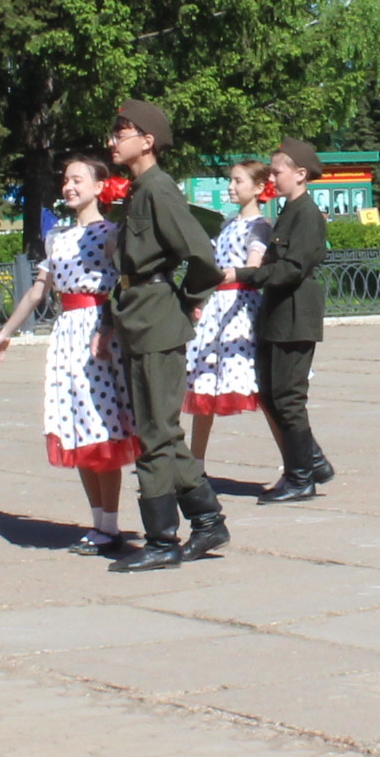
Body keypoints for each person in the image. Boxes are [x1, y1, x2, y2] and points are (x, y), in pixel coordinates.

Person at [0, 153, 140, 551]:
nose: (69, 186)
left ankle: (110, 524)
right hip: (67, 337)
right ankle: (98, 523)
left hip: (98, 332)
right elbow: (40, 289)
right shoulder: (57, 237)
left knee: (103, 424)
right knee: (77, 427)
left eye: (77, 180)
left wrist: (108, 327)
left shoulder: (110, 233)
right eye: (66, 180)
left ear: (99, 187)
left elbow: (125, 280)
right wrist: (6, 332)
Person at [102, 97, 227, 572]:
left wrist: (190, 301)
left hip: (156, 316)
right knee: (160, 430)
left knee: (155, 435)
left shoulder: (158, 188)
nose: (114, 141)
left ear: (147, 140)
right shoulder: (140, 189)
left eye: (122, 132)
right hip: (139, 316)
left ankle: (161, 541)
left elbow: (202, 257)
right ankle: (206, 518)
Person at [239, 136, 334, 501]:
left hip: (295, 314)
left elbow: (292, 269)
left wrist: (245, 275)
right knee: (270, 392)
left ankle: (300, 479)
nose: (271, 178)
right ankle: (312, 461)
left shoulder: (306, 214)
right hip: (278, 312)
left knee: (288, 397)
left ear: (300, 173)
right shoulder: (289, 212)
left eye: (277, 172)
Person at [184, 161, 272, 473]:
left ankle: (296, 462)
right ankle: (196, 463)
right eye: (230, 181)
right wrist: (200, 297)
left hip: (241, 307)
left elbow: (254, 264)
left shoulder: (259, 226)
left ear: (259, 188)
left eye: (238, 181)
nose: (231, 187)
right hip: (218, 306)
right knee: (205, 382)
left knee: (260, 387)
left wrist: (220, 277)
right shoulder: (227, 225)